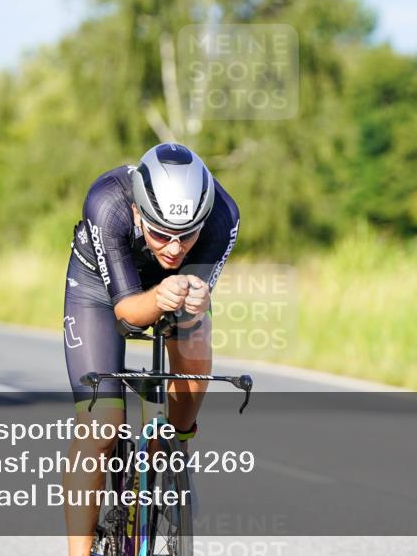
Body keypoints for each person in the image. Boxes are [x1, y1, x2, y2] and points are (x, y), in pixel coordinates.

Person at [62, 143, 239, 555]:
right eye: (161, 233)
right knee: (101, 428)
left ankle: (170, 454)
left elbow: (189, 315)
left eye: (187, 235)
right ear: (138, 212)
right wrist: (160, 296)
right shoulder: (107, 203)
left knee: (196, 336)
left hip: (172, 288)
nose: (174, 248)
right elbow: (127, 315)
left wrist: (194, 307)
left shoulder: (222, 216)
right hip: (97, 288)